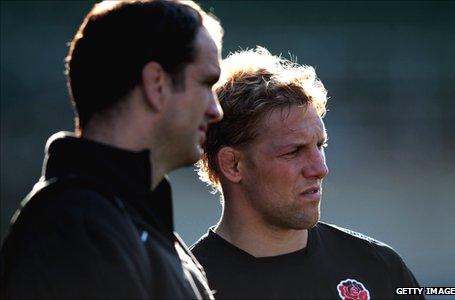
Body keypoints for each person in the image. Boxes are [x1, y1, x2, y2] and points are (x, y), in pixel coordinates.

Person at [1, 1, 223, 299]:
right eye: (206, 83)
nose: (216, 110)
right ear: (156, 84)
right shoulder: (73, 227)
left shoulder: (134, 224)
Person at [191, 47, 424, 299]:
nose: (320, 169)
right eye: (293, 151)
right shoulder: (185, 286)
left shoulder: (379, 269)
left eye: (319, 146)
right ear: (233, 164)